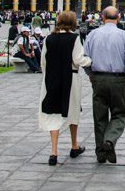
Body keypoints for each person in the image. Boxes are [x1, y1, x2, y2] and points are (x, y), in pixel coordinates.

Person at [83, 6, 125, 164]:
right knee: (119, 113)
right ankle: (109, 140)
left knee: (99, 116)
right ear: (119, 17)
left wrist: (91, 74)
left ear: (102, 17)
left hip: (98, 79)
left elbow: (84, 58)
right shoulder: (123, 35)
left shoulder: (92, 34)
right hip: (117, 79)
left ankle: (101, 153)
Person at [39, 11, 92, 166]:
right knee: (73, 111)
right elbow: (78, 59)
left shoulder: (49, 38)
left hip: (52, 79)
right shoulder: (74, 38)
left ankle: (53, 152)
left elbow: (43, 61)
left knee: (53, 113)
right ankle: (74, 145)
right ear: (73, 23)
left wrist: (48, 75)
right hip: (71, 78)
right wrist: (90, 61)